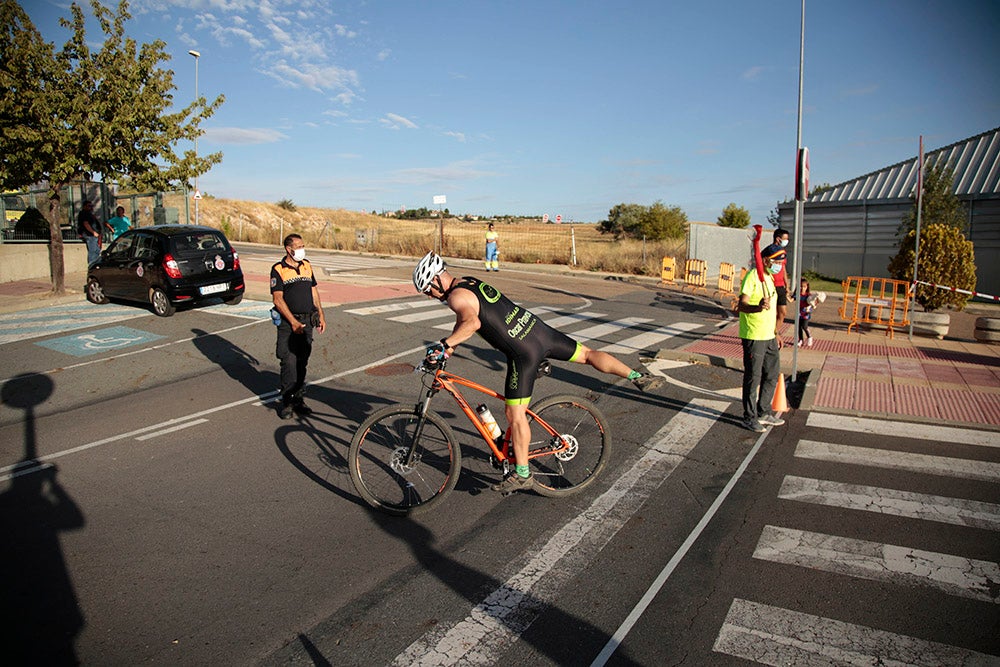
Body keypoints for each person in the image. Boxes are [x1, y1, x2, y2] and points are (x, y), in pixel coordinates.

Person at [412, 251, 662, 495]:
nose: (429, 296)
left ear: (436, 279)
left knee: (514, 414)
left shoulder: (456, 298)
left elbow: (472, 323)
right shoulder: (467, 283)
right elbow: (465, 320)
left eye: (428, 290)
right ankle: (638, 377)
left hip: (523, 353)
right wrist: (448, 349)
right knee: (587, 354)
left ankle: (522, 475)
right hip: (538, 331)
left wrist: (444, 345)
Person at [270, 234, 326, 419]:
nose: (302, 249)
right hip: (289, 323)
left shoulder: (307, 265)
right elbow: (278, 299)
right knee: (288, 361)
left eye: (303, 245)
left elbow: (313, 290)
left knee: (302, 361)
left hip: (307, 320)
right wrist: (293, 323)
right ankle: (287, 401)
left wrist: (321, 315)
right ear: (288, 249)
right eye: (299, 246)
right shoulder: (278, 269)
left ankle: (299, 399)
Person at [738, 230, 785, 433]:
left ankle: (764, 412)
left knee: (772, 375)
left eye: (782, 263)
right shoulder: (752, 277)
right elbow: (741, 305)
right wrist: (757, 307)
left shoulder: (770, 279)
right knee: (753, 377)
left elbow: (773, 310)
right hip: (754, 336)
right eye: (776, 262)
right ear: (766, 259)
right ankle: (749, 417)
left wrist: (776, 332)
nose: (779, 266)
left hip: (769, 336)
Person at [761, 228, 790, 339]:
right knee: (770, 313)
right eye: (785, 239)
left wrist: (787, 285)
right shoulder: (769, 251)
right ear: (778, 239)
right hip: (771, 286)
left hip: (780, 286)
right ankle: (770, 335)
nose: (787, 241)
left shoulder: (782, 253)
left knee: (782, 312)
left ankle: (774, 333)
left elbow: (783, 269)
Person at [76, 200, 102, 265]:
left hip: (94, 235)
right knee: (93, 251)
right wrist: (93, 232)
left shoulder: (90, 214)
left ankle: (96, 264)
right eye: (88, 206)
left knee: (97, 251)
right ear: (84, 206)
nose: (90, 207)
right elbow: (86, 224)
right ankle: (92, 265)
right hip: (90, 235)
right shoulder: (84, 213)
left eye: (91, 206)